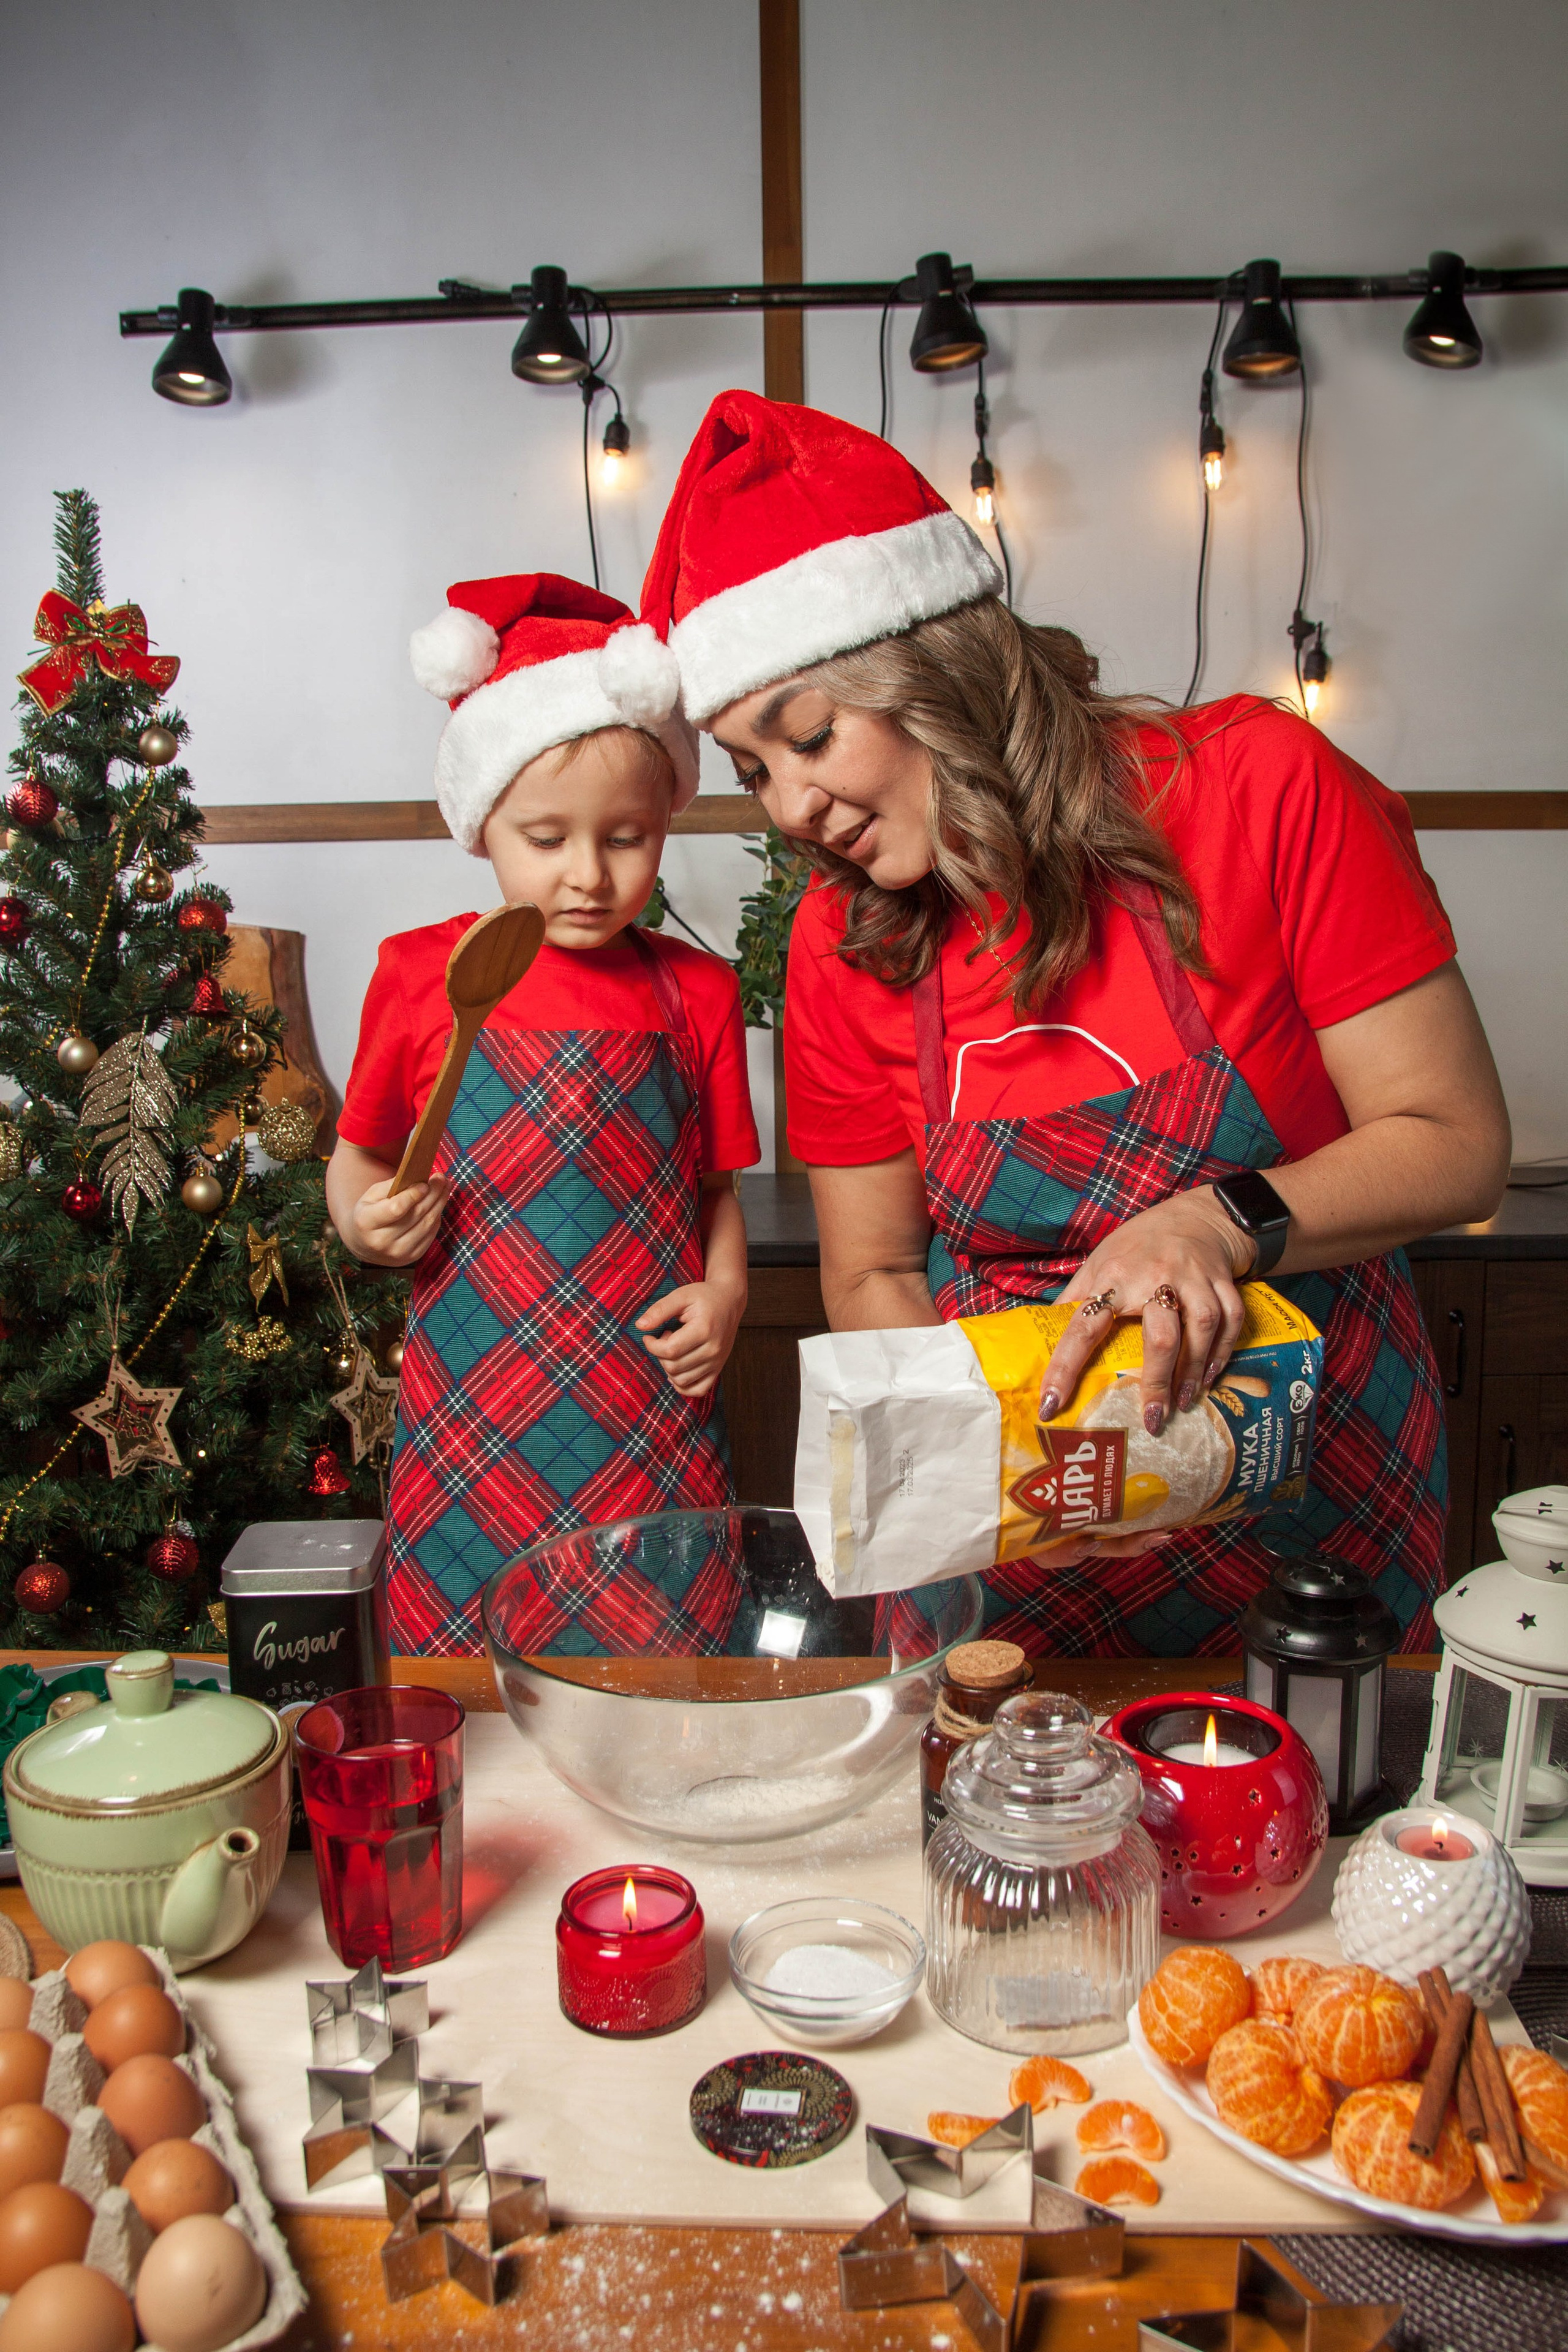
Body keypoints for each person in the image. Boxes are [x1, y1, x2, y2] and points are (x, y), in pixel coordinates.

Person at [639, 391, 1510, 1654]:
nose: (791, 807)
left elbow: (1450, 1137)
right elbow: (871, 1272)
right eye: (753, 769)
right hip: (1015, 1512)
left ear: (931, 667)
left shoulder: (1259, 788)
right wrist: (1027, 1463)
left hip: (1307, 1473)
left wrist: (1215, 1221)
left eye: (810, 739)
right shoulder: (842, 945)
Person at [328, 573, 758, 1653]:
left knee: (661, 1654)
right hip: (473, 1393)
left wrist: (726, 1297)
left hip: (643, 1395)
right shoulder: (423, 975)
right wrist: (359, 1219)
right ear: (483, 828)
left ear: (665, 825)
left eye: (625, 838)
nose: (587, 875)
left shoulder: (695, 991)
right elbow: (360, 1155)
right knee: (469, 1670)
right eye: (546, 837)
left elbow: (714, 1196)